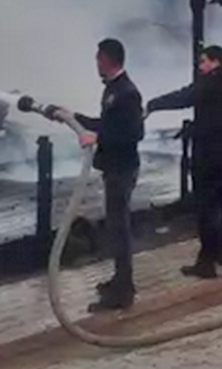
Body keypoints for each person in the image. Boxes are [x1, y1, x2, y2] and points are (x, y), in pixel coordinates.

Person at [145, 45, 222, 279]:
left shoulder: (210, 82)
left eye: (203, 62)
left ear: (215, 62)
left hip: (210, 157)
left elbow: (184, 97)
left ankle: (207, 262)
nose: (200, 66)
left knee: (207, 210)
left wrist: (153, 104)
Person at [65, 38, 144, 312]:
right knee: (115, 227)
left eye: (99, 58)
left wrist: (97, 136)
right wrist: (74, 117)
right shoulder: (114, 90)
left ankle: (123, 292)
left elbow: (134, 133)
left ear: (110, 59)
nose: (96, 63)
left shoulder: (127, 93)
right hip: (114, 168)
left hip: (122, 169)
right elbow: (108, 124)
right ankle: (121, 280)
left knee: (119, 229)